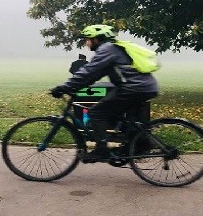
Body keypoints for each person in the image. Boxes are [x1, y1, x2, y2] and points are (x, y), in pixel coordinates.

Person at [50, 24, 158, 161]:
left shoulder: (106, 50)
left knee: (96, 113)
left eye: (88, 39)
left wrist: (64, 87)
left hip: (133, 88)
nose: (86, 43)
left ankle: (102, 150)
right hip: (142, 87)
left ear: (96, 39)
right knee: (113, 114)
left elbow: (88, 71)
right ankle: (138, 143)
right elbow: (94, 74)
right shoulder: (112, 49)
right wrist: (75, 86)